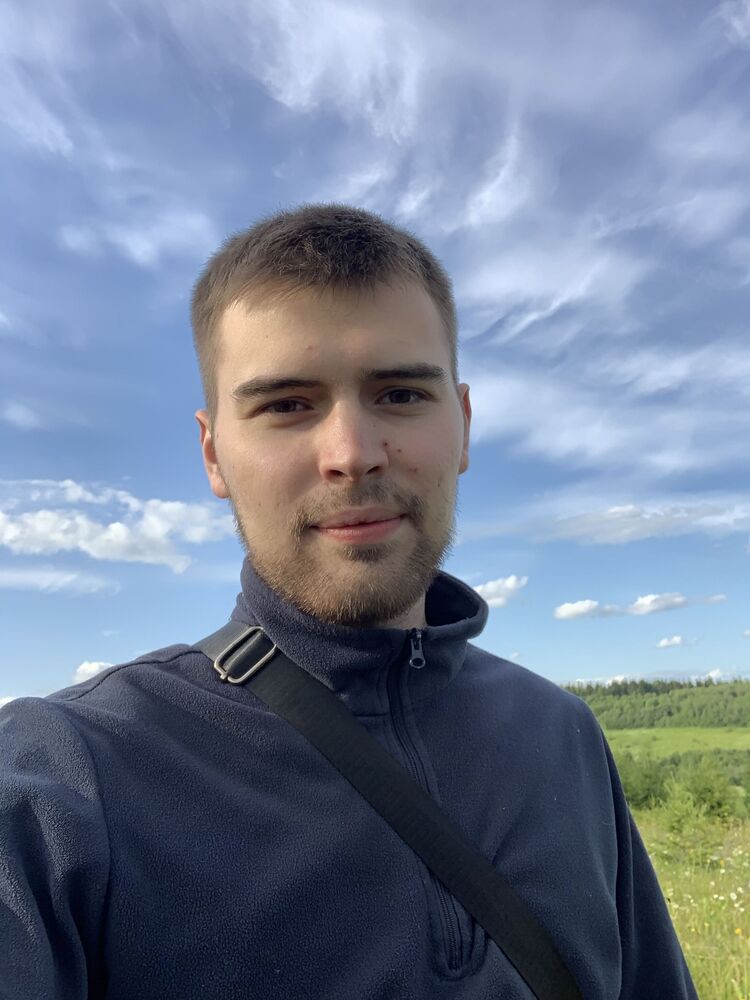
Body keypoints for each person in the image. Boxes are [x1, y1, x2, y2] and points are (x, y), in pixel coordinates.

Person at [0, 204, 697, 1000]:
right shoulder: (64, 780)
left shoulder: (561, 735)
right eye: (286, 405)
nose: (353, 454)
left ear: (463, 427)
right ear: (213, 453)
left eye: (400, 394)